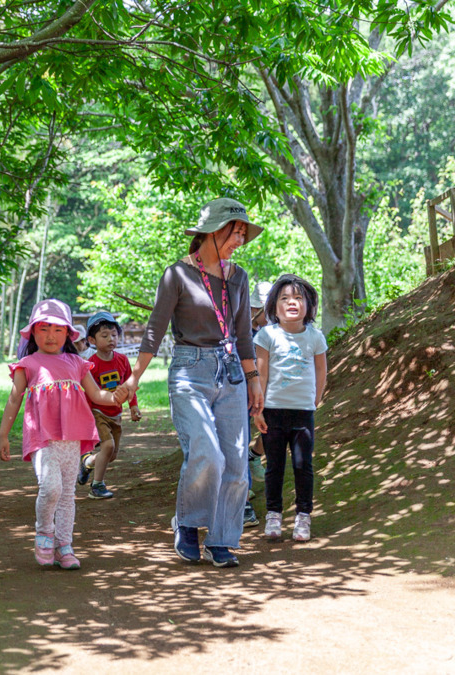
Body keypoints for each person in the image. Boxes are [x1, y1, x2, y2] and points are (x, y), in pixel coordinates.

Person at [120, 198, 264, 567]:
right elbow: (154, 329)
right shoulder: (177, 275)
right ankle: (187, 523)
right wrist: (135, 376)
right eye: (235, 233)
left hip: (231, 372)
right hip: (189, 370)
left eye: (244, 235)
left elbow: (243, 334)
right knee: (207, 452)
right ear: (213, 231)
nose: (240, 241)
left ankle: (221, 539)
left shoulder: (239, 277)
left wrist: (254, 380)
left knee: (236, 463)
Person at [0, 299, 125, 570]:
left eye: (58, 330)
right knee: (51, 488)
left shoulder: (77, 363)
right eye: (44, 329)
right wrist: (3, 436)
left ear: (68, 333)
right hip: (42, 438)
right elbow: (14, 400)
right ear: (33, 332)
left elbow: (96, 394)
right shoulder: (28, 364)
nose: (51, 335)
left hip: (72, 439)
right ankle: (44, 533)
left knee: (67, 495)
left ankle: (64, 546)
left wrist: (116, 396)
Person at [253, 274, 328, 542]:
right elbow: (261, 375)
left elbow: (321, 371)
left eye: (298, 298)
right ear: (274, 307)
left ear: (308, 305)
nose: (291, 302)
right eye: (284, 298)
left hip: (302, 413)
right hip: (272, 411)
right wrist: (258, 410)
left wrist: (315, 400)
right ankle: (273, 515)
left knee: (302, 465)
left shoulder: (315, 337)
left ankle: (303, 516)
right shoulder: (267, 335)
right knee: (274, 466)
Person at [76, 310, 141, 499]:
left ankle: (88, 463)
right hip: (97, 412)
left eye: (114, 335)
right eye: (104, 336)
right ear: (92, 340)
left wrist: (133, 405)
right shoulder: (90, 364)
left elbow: (129, 385)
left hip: (116, 414)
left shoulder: (122, 360)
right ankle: (97, 486)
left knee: (111, 455)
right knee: (108, 446)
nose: (111, 339)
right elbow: (88, 393)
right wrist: (86, 418)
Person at [243, 280, 273, 527]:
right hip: (242, 392)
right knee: (239, 439)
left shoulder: (270, 330)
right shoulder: (242, 331)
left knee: (270, 427)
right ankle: (242, 494)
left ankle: (253, 457)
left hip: (265, 390)